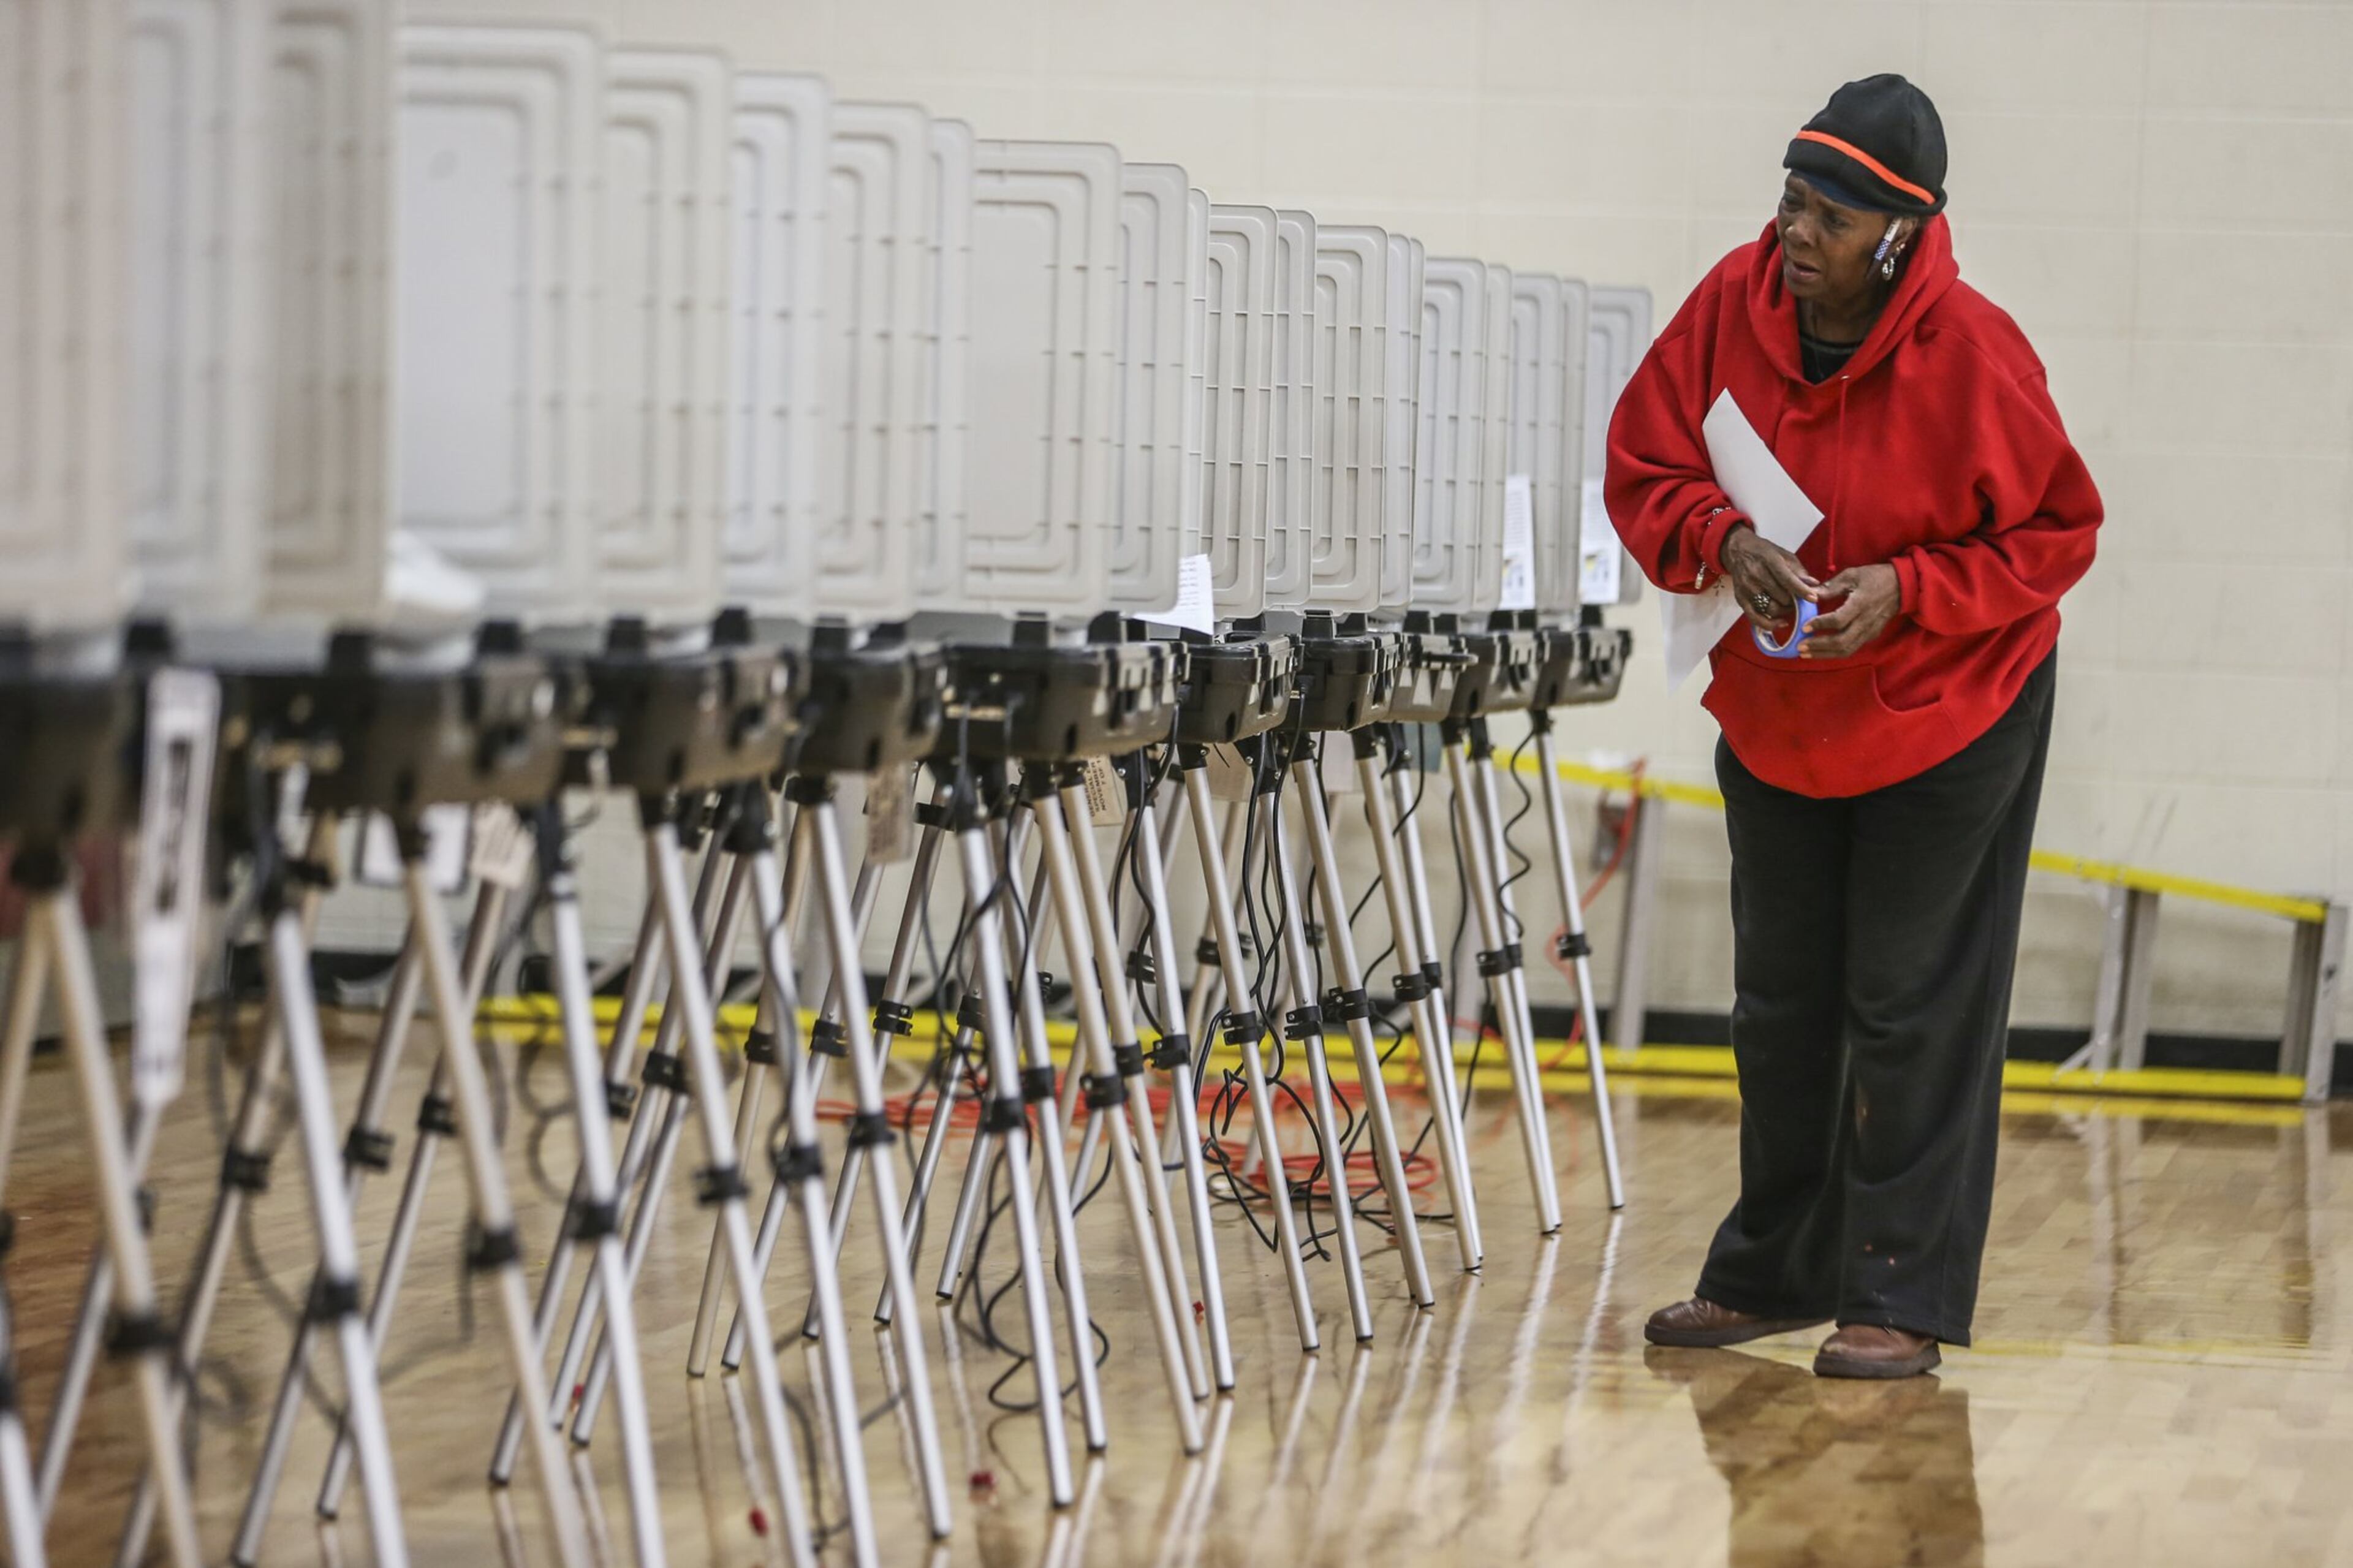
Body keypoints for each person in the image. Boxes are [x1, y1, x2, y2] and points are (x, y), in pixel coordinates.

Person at [1605, 74, 2101, 1378]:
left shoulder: (1978, 353)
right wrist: (1720, 536)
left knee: (1908, 997)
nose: (1792, 233)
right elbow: (1644, 461)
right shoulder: (1731, 304)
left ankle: (1901, 1292)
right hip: (1785, 711)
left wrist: (1913, 589)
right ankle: (1771, 1269)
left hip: (1951, 709)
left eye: (1826, 215)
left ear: (1899, 234)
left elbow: (2057, 531)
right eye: (1788, 200)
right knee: (1780, 1000)